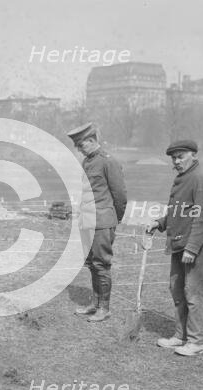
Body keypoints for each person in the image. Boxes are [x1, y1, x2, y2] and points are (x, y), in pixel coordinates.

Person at [146, 139, 203, 356]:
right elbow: (179, 211)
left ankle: (195, 342)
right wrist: (159, 223)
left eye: (181, 156)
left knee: (193, 292)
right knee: (176, 288)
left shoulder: (200, 179)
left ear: (193, 155)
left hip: (194, 243)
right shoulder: (183, 178)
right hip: (180, 241)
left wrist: (193, 247)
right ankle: (180, 336)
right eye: (174, 158)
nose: (176, 161)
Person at [68, 122, 127, 322]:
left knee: (101, 264)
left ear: (92, 141)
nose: (79, 149)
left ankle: (104, 308)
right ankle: (95, 302)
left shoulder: (108, 162)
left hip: (102, 221)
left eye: (81, 145)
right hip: (87, 221)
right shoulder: (87, 162)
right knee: (92, 264)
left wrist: (112, 219)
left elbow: (120, 195)